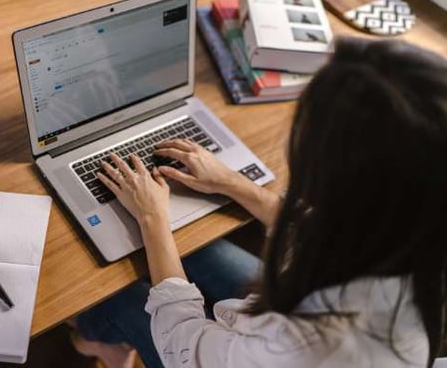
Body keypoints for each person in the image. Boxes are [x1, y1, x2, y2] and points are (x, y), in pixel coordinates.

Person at [70, 37, 447, 368]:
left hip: (249, 350)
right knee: (198, 248)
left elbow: (181, 344)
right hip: (278, 322)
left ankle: (96, 343)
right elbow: (314, 226)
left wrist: (152, 217)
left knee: (115, 296)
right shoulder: (415, 229)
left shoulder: (307, 350)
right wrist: (231, 182)